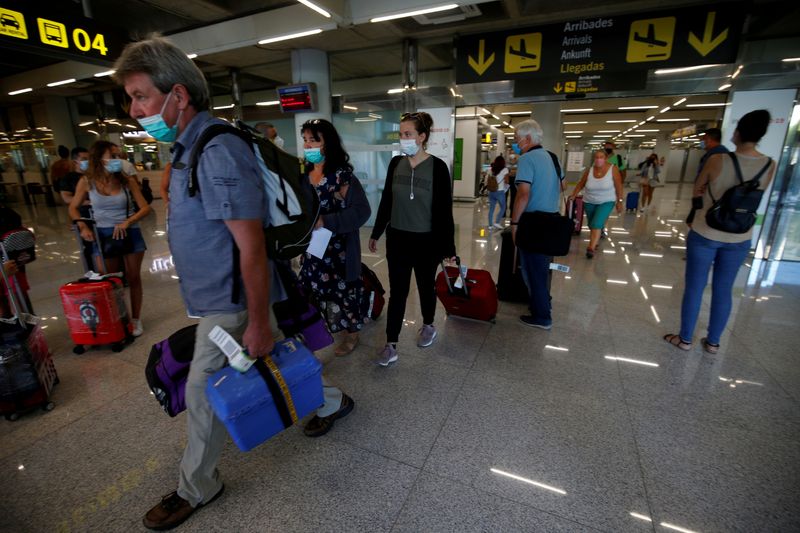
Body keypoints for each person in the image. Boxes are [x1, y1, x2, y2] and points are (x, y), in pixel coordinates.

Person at [114, 35, 276, 531]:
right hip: (215, 298)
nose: (134, 108)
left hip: (230, 301)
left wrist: (255, 319)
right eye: (132, 97)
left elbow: (251, 245)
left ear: (178, 96)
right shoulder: (188, 147)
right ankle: (331, 400)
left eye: (141, 95)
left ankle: (198, 486)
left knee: (202, 391)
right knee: (276, 365)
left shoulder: (216, 149)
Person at [664, 110, 775, 354]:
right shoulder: (769, 165)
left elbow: (697, 191)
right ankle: (713, 343)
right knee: (724, 289)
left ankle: (685, 339)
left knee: (695, 287)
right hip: (740, 236)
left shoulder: (719, 160)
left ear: (737, 133)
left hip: (706, 232)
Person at [369, 111, 455, 366]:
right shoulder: (396, 164)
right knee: (399, 292)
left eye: (407, 134)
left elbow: (443, 211)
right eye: (401, 134)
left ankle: (428, 325)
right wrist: (377, 231)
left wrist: (448, 247)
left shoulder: (438, 168)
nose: (402, 139)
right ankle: (391, 344)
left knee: (426, 286)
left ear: (422, 137)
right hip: (398, 239)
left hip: (427, 241)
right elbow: (387, 200)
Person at [298, 118, 371, 356]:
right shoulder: (303, 174)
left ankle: (352, 334)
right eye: (306, 140)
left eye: (314, 140)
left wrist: (326, 221)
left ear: (327, 143)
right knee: (312, 291)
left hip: (338, 251)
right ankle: (316, 331)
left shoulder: (341, 176)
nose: (308, 146)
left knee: (343, 293)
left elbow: (361, 211)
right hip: (313, 249)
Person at [68, 141, 151, 337]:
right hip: (103, 235)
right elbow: (72, 207)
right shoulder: (87, 181)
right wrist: (82, 226)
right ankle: (118, 319)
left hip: (130, 232)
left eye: (117, 156)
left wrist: (127, 222)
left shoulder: (126, 180)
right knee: (110, 281)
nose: (116, 160)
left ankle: (136, 319)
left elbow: (146, 207)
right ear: (98, 159)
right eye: (111, 156)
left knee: (133, 278)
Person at [510, 119, 562, 330]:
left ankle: (542, 316)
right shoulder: (552, 157)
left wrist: (514, 223)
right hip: (551, 220)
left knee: (532, 270)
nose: (516, 144)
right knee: (541, 268)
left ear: (528, 138)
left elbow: (523, 195)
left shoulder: (527, 159)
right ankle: (541, 304)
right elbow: (563, 185)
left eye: (516, 140)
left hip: (533, 222)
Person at [568, 149, 623, 259]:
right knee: (591, 224)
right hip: (589, 201)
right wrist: (574, 194)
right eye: (596, 157)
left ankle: (591, 248)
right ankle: (596, 239)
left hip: (607, 201)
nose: (598, 159)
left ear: (606, 158)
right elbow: (581, 183)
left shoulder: (613, 169)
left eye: (601, 157)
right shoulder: (589, 170)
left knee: (596, 223)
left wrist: (619, 201)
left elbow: (618, 185)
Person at [687, 128, 729, 224]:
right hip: (713, 196)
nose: (701, 142)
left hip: (708, 196)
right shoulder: (723, 153)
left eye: (703, 139)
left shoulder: (715, 155)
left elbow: (704, 178)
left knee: (698, 222)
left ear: (708, 139)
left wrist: (697, 194)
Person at [487, 155, 509, 229]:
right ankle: (497, 222)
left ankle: (490, 225)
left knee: (491, 208)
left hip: (491, 191)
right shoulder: (505, 170)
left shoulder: (491, 169)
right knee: (503, 207)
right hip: (500, 191)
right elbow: (506, 181)